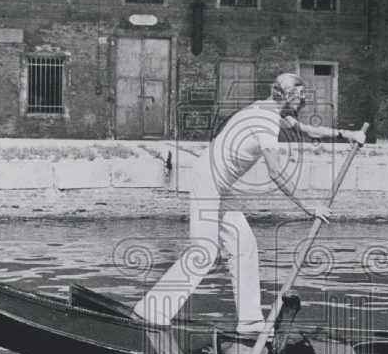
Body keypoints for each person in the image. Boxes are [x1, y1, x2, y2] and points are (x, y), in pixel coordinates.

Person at [132, 72, 366, 334]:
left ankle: (250, 321)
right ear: (287, 96)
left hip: (219, 185)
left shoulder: (268, 109)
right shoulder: (265, 121)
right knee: (204, 251)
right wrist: (309, 206)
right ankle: (151, 310)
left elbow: (306, 130)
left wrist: (347, 134)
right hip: (208, 179)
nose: (302, 104)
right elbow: (276, 172)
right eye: (299, 98)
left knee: (245, 245)